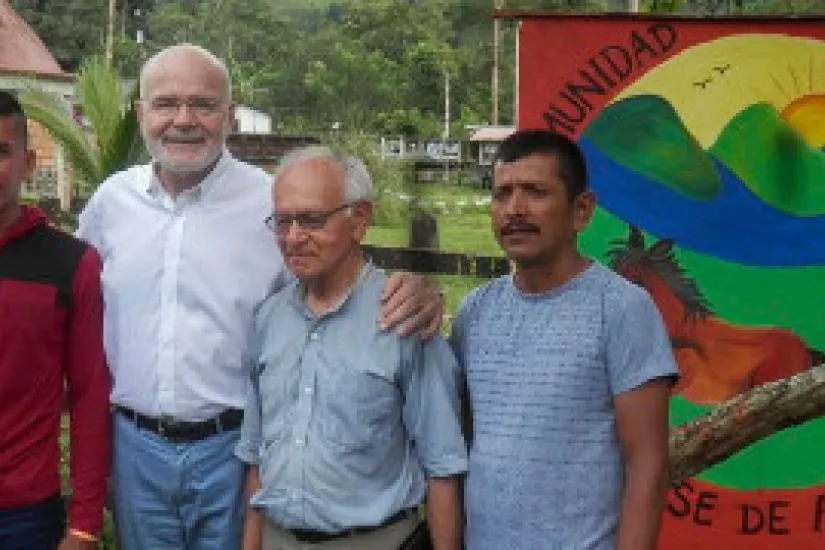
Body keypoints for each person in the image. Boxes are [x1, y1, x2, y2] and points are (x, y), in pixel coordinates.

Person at [76, 44, 442, 550]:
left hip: (236, 450)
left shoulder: (270, 203)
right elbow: (70, 303)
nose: (183, 120)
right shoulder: (109, 204)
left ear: (230, 116)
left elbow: (335, 283)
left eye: (203, 105)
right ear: (142, 115)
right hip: (135, 450)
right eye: (165, 104)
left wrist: (418, 290)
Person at [450, 129, 677, 550]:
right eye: (502, 194)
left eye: (535, 192)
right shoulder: (474, 313)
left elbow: (647, 464)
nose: (515, 209)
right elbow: (459, 445)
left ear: (581, 210)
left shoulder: (623, 310)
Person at [236, 146, 467, 550]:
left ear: (359, 219)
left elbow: (443, 466)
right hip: (278, 537)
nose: (293, 238)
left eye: (311, 220)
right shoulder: (269, 318)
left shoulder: (403, 320)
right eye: (283, 221)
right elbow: (257, 454)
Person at [0, 91, 111, 549]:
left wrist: (83, 525)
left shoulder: (71, 264)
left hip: (24, 515)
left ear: (28, 164)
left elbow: (88, 396)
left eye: (1, 152)